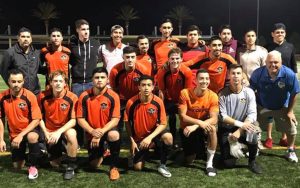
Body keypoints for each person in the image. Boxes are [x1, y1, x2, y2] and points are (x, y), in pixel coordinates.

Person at [250, 50, 300, 163]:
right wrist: (251, 110)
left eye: (276, 62)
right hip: (262, 106)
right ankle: (255, 147)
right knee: (252, 127)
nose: (273, 65)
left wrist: (290, 111)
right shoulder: (258, 73)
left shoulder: (289, 74)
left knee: (292, 129)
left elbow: (294, 92)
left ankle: (290, 150)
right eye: (270, 62)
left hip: (281, 107)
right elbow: (251, 91)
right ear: (265, 62)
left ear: (281, 62)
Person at [124, 75, 173, 178]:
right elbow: (127, 123)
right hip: (139, 138)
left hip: (154, 135)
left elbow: (163, 123)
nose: (146, 88)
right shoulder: (131, 102)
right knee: (137, 168)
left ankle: (162, 164)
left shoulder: (158, 101)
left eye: (149, 85)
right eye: (143, 85)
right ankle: (140, 153)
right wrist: (132, 141)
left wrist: (149, 138)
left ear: (153, 87)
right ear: (139, 87)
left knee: (168, 138)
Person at [77, 67, 121, 181]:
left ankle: (114, 167)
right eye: (97, 77)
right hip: (92, 132)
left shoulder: (113, 96)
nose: (99, 80)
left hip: (106, 130)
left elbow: (115, 119)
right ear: (92, 80)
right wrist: (92, 132)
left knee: (114, 135)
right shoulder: (84, 96)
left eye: (102, 77)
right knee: (94, 165)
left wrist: (100, 133)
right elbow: (80, 118)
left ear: (107, 80)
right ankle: (105, 150)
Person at [218, 64, 262, 174]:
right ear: (228, 75)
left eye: (238, 73)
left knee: (253, 131)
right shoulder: (222, 94)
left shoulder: (249, 92)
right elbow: (223, 117)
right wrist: (240, 125)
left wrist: (240, 130)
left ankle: (252, 161)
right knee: (228, 164)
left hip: (244, 126)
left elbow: (252, 114)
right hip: (227, 128)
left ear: (242, 76)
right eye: (233, 73)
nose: (235, 76)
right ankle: (237, 146)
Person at [0, 69, 42, 180]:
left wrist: (21, 136)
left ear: (23, 81)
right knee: (18, 166)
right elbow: (1, 119)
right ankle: (37, 153)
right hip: (15, 133)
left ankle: (33, 166)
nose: (16, 84)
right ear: (8, 81)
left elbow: (36, 119)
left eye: (19, 81)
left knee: (32, 137)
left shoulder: (30, 96)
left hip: (30, 130)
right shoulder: (2, 97)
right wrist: (1, 140)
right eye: (13, 81)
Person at [38, 70, 78, 180]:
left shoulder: (72, 97)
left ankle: (70, 166)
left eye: (61, 81)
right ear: (50, 83)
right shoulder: (42, 96)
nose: (58, 83)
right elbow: (39, 117)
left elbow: (74, 121)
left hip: (64, 130)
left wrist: (58, 132)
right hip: (50, 132)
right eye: (55, 81)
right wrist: (46, 132)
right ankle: (62, 153)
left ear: (65, 83)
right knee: (54, 164)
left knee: (71, 133)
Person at [178, 69, 218, 177]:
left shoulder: (213, 96)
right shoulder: (185, 93)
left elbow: (214, 119)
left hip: (200, 127)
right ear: (195, 80)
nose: (204, 81)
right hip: (187, 128)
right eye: (201, 78)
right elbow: (182, 116)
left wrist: (197, 125)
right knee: (189, 161)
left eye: (206, 79)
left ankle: (209, 164)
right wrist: (198, 123)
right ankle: (189, 150)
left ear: (209, 80)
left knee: (213, 129)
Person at [264, 23, 298, 148]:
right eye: (277, 32)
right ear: (272, 34)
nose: (280, 34)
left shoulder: (290, 46)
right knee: (270, 111)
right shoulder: (267, 47)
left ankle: (284, 137)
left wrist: (295, 78)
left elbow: (293, 64)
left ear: (285, 34)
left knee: (285, 109)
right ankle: (269, 137)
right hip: (270, 83)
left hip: (285, 83)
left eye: (282, 32)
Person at [69, 19, 100, 147]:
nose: (86, 32)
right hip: (76, 84)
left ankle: (91, 139)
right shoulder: (72, 45)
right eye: (83, 29)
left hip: (91, 83)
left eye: (87, 29)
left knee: (91, 113)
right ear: (77, 30)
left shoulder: (96, 43)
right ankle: (79, 141)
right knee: (76, 114)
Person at [109, 46, 151, 133]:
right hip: (121, 100)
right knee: (117, 122)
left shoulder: (143, 70)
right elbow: (114, 88)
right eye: (127, 57)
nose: (130, 60)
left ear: (136, 57)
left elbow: (146, 87)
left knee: (138, 122)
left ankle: (138, 136)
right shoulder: (115, 71)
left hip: (137, 99)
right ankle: (117, 138)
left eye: (132, 57)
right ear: (123, 57)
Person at [157, 47, 193, 145]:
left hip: (182, 99)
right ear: (168, 59)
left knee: (184, 118)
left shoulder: (187, 72)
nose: (175, 61)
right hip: (168, 99)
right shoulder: (162, 71)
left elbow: (187, 92)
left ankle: (184, 139)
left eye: (177, 58)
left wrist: (185, 107)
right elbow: (161, 91)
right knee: (166, 118)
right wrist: (160, 107)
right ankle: (166, 140)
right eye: (172, 59)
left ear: (181, 59)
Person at [1, 27, 42, 95]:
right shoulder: (10, 53)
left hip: (35, 93)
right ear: (18, 38)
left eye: (28, 37)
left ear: (31, 39)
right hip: (19, 93)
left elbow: (39, 69)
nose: (26, 39)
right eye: (23, 36)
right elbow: (4, 72)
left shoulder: (36, 53)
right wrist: (14, 86)